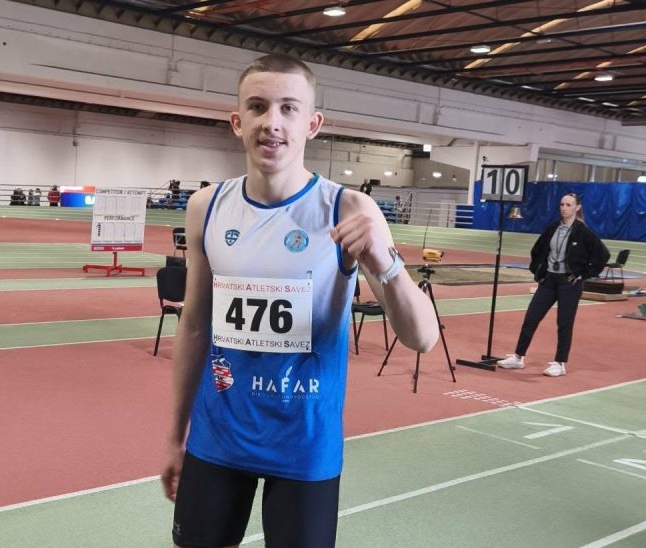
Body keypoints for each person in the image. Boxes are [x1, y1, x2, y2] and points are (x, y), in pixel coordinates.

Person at [161, 53, 439, 548]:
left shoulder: (349, 208)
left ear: (312, 124)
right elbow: (195, 326)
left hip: (304, 446)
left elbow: (423, 338)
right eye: (258, 106)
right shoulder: (207, 207)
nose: (272, 122)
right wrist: (174, 436)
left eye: (289, 108)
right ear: (237, 122)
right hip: (217, 436)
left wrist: (385, 262)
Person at [497, 193, 609, 377]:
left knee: (564, 323)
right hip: (549, 281)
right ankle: (518, 357)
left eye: (568, 205)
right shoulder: (552, 228)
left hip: (569, 283)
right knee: (531, 318)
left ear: (577, 208)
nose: (564, 208)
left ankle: (560, 363)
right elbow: (537, 250)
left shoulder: (583, 232)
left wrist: (582, 274)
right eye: (562, 204)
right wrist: (538, 272)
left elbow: (602, 256)